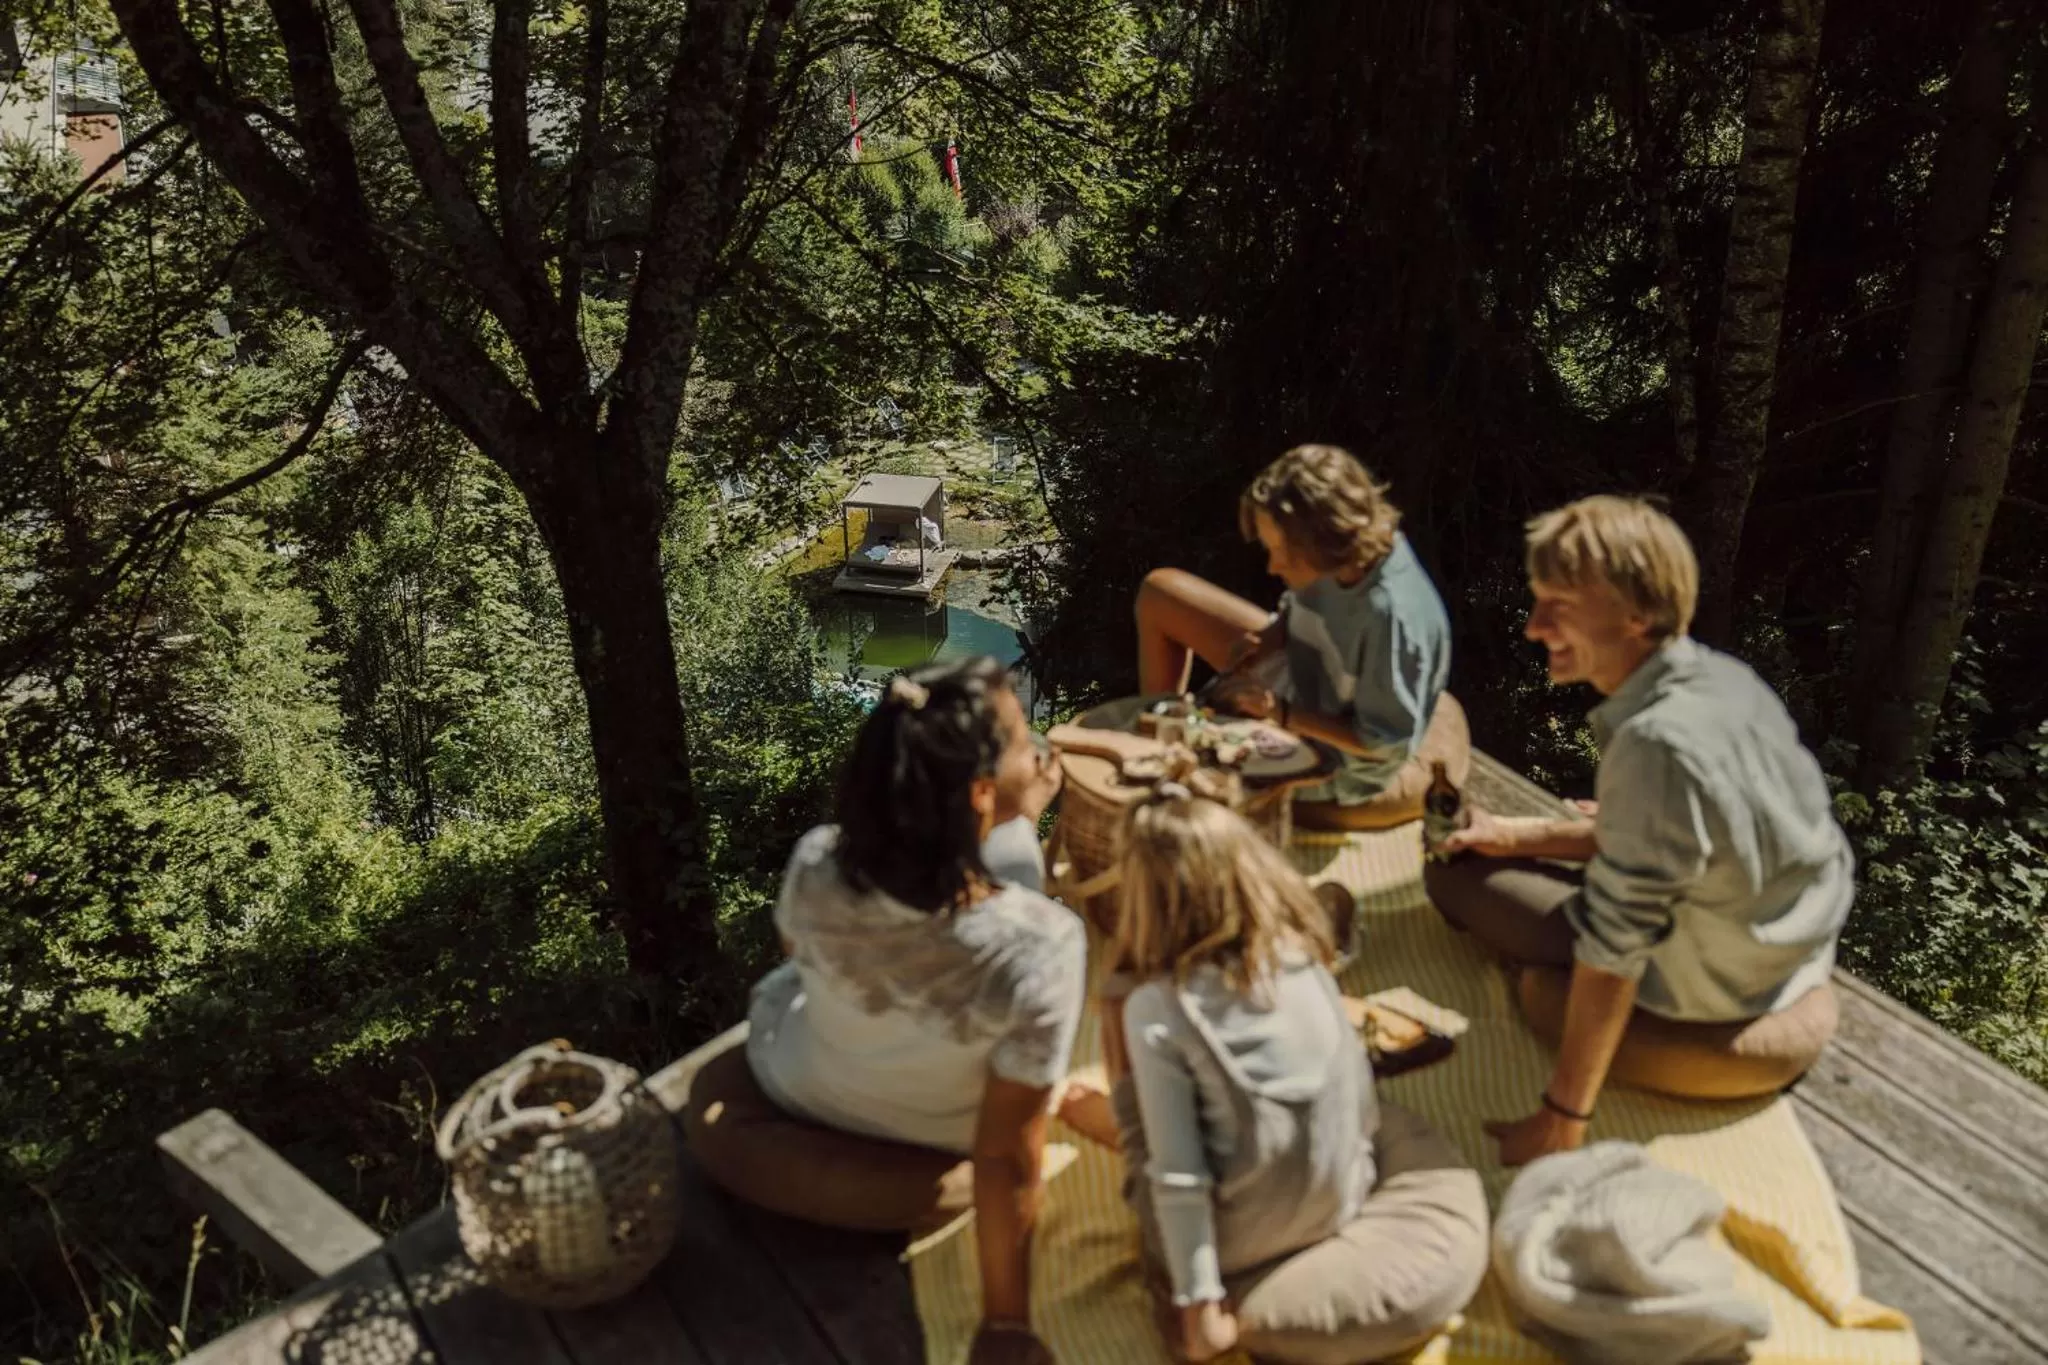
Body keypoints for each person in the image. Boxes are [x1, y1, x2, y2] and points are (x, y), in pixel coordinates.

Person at [1425, 496, 1852, 1167]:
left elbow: (1616, 946)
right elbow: (1683, 840)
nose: (1534, 627)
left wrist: (1564, 1113)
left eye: (1558, 604)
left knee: (1451, 877)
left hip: (1709, 973)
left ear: (1636, 613)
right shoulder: (1726, 680)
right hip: (1777, 951)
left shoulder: (1655, 745)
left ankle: (1550, 998)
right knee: (1492, 856)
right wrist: (1513, 834)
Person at [686, 657, 1086, 1365]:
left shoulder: (815, 863)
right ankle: (923, 1191)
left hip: (807, 1092)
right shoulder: (1045, 946)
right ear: (984, 794)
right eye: (1030, 743)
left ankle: (832, 1171)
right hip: (953, 1131)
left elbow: (793, 952)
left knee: (747, 1043)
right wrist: (1005, 1324)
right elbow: (1009, 1157)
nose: (1043, 753)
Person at [1100, 787, 1488, 1365]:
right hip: (1341, 1196)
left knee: (1117, 1023)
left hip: (1237, 1237)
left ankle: (1112, 1130)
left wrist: (1199, 1305)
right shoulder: (1302, 952)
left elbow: (1180, 1178)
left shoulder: (1159, 1009)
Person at [1134, 444, 1453, 822]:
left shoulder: (1390, 617)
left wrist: (1278, 712)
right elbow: (1296, 605)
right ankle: (1157, 735)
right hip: (1301, 674)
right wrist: (1268, 640)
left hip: (1337, 753)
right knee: (1161, 592)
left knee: (1193, 783)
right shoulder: (1348, 550)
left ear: (1326, 540)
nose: (1272, 566)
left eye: (1282, 551)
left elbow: (1381, 743)